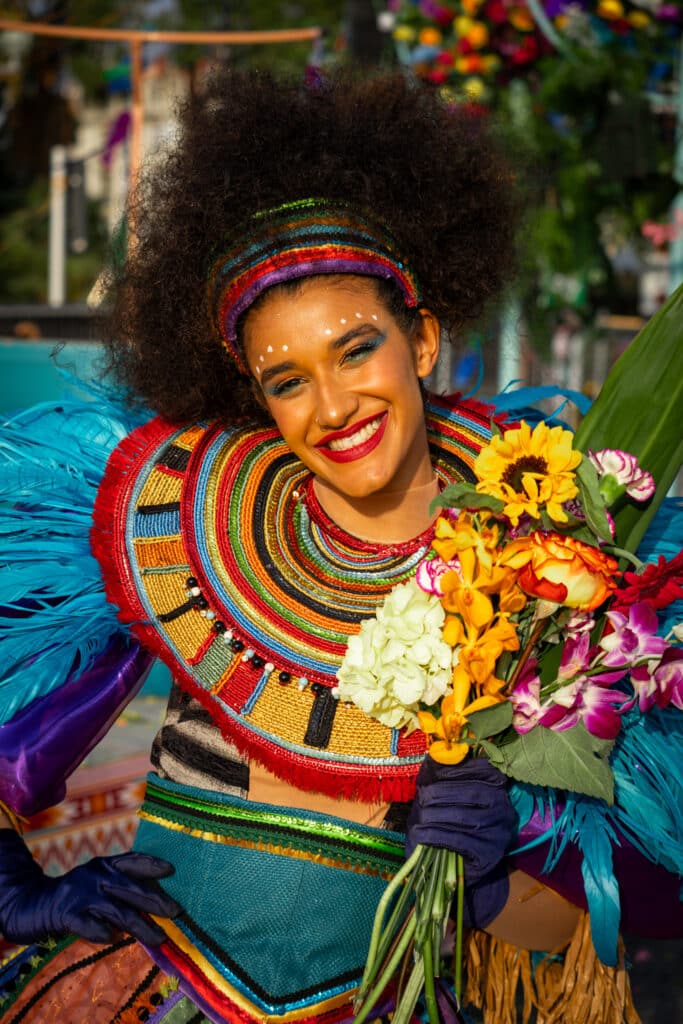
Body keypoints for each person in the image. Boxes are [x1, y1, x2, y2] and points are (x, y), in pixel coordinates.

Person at [0, 68, 680, 1024]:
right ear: (256, 397)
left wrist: (488, 877)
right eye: (286, 380)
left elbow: (569, 935)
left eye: (356, 349)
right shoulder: (170, 522)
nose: (331, 408)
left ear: (423, 340)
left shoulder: (565, 569)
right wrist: (15, 891)